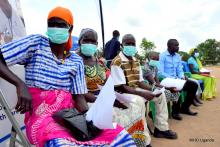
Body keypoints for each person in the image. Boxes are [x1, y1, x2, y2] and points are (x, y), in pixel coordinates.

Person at [0, 7, 136, 147]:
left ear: (70, 29)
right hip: (42, 118)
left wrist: (89, 119)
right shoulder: (37, 43)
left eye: (61, 25)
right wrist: (19, 84)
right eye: (52, 24)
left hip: (69, 116)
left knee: (119, 135)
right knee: (61, 143)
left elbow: (79, 97)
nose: (55, 28)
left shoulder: (76, 61)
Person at [78, 28, 149, 146]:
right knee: (113, 115)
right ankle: (119, 142)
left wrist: (115, 98)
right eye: (86, 40)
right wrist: (108, 101)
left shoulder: (98, 62)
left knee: (134, 107)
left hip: (103, 96)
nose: (90, 44)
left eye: (93, 41)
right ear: (80, 41)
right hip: (86, 100)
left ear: (96, 44)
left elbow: (108, 82)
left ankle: (138, 142)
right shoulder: (75, 61)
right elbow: (78, 92)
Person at [111, 34, 178, 147]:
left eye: (133, 44)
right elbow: (121, 86)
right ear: (122, 45)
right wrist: (143, 94)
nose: (131, 46)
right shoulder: (117, 61)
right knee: (139, 102)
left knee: (160, 95)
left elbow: (140, 82)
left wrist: (153, 89)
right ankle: (144, 141)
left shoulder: (136, 60)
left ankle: (161, 129)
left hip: (135, 89)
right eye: (128, 43)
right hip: (122, 92)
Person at [159, 39, 199, 120]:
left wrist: (182, 76)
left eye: (178, 45)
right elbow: (160, 72)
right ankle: (175, 112)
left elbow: (179, 70)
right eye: (176, 45)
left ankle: (184, 108)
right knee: (178, 87)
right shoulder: (162, 56)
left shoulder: (177, 56)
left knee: (194, 85)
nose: (178, 47)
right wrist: (174, 78)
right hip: (166, 79)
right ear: (169, 46)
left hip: (176, 79)